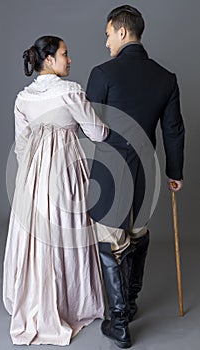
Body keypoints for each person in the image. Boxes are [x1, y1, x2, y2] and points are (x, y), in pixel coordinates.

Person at [86, 5, 185, 349]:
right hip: (148, 172)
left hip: (111, 171)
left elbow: (91, 128)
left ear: (122, 32)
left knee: (110, 240)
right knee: (137, 233)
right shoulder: (166, 77)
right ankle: (130, 302)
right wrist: (176, 173)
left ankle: (119, 323)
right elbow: (173, 131)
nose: (107, 41)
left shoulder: (102, 73)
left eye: (108, 34)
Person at [3, 35, 109, 346]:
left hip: (31, 178)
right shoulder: (71, 92)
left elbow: (21, 146)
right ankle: (71, 301)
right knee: (67, 233)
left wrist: (34, 175)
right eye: (65, 53)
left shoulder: (23, 98)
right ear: (49, 59)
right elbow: (97, 133)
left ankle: (34, 298)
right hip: (65, 173)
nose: (69, 59)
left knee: (35, 236)